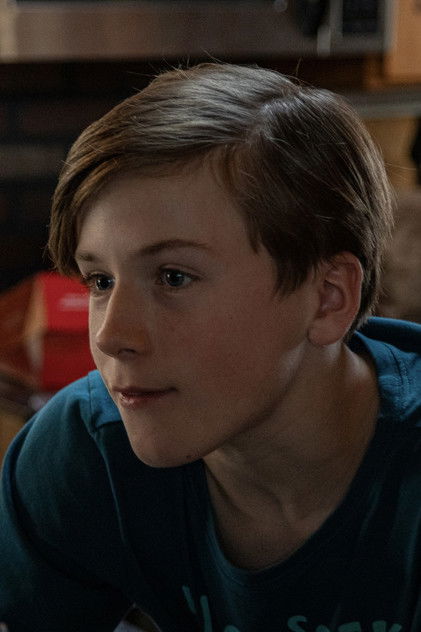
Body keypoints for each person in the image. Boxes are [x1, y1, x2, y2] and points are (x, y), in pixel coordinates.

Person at [1, 62, 420, 632]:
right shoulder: (86, 450)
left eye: (174, 277)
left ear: (327, 298)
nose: (110, 335)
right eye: (100, 281)